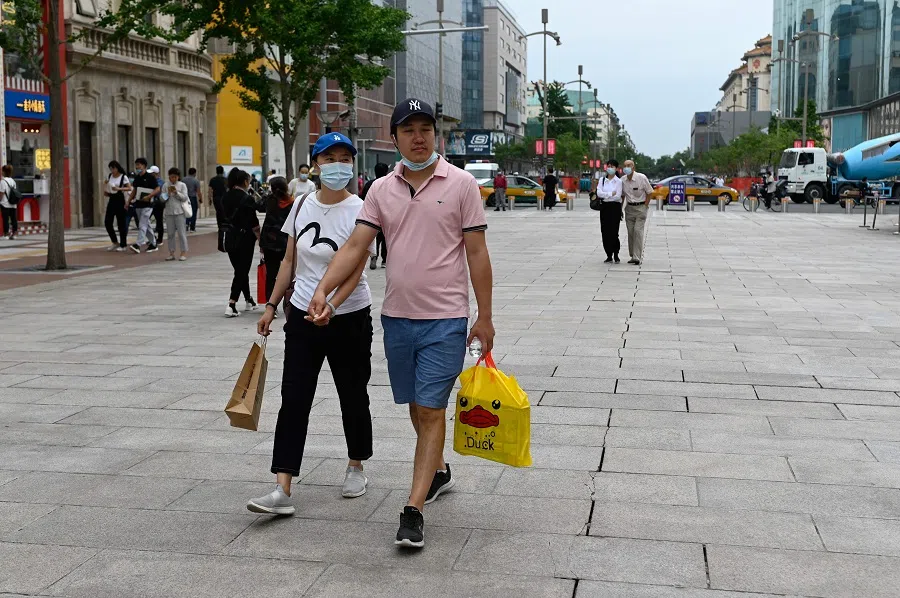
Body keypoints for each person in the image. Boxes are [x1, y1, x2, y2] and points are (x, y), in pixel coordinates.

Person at [308, 98, 494, 549]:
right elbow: (355, 246)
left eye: (425, 129)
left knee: (431, 410)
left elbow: (476, 253)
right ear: (393, 138)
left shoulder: (463, 184)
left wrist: (484, 317)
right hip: (397, 318)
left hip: (446, 318)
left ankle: (412, 511)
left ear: (437, 135)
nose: (418, 137)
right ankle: (439, 470)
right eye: (408, 130)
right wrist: (322, 290)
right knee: (416, 406)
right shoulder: (380, 191)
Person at [248, 132, 376, 515]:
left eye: (345, 158)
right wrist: (271, 305)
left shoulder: (361, 208)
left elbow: (357, 267)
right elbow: (289, 260)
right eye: (330, 157)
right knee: (294, 396)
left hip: (349, 315)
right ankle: (282, 486)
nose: (338, 164)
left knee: (352, 393)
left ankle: (356, 464)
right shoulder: (302, 203)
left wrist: (333, 305)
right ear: (316, 164)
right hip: (302, 314)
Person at [222, 168, 261, 317]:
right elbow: (253, 222)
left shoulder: (225, 197)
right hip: (245, 239)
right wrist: (260, 238)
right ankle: (231, 304)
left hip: (229, 237)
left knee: (239, 269)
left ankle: (248, 300)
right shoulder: (247, 198)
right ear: (245, 181)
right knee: (241, 270)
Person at [258, 176, 294, 309]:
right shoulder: (292, 202)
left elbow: (258, 206)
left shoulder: (269, 200)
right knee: (289, 273)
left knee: (271, 275)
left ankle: (270, 303)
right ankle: (289, 301)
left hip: (269, 243)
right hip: (285, 243)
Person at [621, 160, 654, 266]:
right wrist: (620, 209)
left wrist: (645, 206)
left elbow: (650, 192)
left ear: (633, 167)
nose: (627, 167)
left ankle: (637, 257)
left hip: (640, 208)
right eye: (625, 166)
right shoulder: (623, 180)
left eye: (629, 166)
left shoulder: (641, 178)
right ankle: (632, 254)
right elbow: (622, 196)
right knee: (630, 232)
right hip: (629, 209)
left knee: (637, 231)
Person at [127, 158, 160, 253]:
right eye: (136, 165)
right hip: (138, 204)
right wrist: (128, 201)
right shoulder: (137, 178)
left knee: (142, 224)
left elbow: (157, 189)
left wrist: (149, 196)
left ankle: (138, 244)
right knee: (146, 224)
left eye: (139, 165)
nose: (137, 167)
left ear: (144, 166)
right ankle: (153, 244)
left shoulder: (150, 177)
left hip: (148, 205)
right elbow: (134, 190)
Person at [361, 162, 390, 270]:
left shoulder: (369, 184)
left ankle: (373, 256)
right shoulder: (390, 184)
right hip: (386, 215)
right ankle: (384, 260)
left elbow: (363, 198)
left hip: (371, 216)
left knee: (374, 238)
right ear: (386, 172)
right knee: (385, 238)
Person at [597, 159, 624, 263]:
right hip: (604, 207)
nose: (610, 168)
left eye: (612, 166)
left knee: (614, 232)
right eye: (609, 166)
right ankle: (608, 254)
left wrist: (606, 194)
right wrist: (609, 194)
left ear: (616, 168)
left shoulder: (619, 181)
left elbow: (617, 196)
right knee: (605, 231)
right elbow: (599, 193)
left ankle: (616, 253)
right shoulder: (602, 180)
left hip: (615, 207)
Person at [103, 161, 132, 251]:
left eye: (113, 168)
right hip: (111, 199)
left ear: (117, 168)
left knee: (121, 223)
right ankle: (115, 242)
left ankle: (123, 245)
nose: (112, 170)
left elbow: (129, 188)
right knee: (107, 222)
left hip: (120, 200)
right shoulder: (109, 176)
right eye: (111, 169)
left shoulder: (123, 177)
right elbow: (107, 186)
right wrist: (106, 189)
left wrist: (119, 188)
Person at [163, 167, 190, 261]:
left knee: (181, 233)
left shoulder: (182, 185)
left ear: (178, 177)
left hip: (180, 212)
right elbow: (162, 199)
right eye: (171, 177)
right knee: (170, 234)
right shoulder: (165, 185)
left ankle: (183, 252)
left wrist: (176, 193)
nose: (172, 179)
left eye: (174, 177)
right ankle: (171, 252)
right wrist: (167, 194)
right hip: (169, 212)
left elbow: (185, 198)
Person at [209, 166, 228, 252]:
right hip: (224, 198)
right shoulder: (225, 180)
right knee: (224, 212)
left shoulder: (212, 180)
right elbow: (228, 189)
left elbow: (210, 190)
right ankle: (223, 226)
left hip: (216, 198)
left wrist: (209, 199)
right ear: (222, 171)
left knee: (218, 212)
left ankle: (219, 226)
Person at [0, 165, 18, 240]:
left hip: (5, 203)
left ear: (4, 172)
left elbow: (1, 193)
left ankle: (6, 234)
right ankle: (14, 234)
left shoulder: (3, 181)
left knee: (5, 219)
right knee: (14, 219)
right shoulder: (13, 181)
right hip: (13, 203)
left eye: (2, 171)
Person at [182, 167, 203, 232]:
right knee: (193, 212)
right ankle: (192, 227)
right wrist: (200, 199)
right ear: (194, 173)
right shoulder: (195, 181)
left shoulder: (183, 179)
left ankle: (186, 224)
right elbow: (198, 191)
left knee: (185, 211)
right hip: (192, 198)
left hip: (185, 197)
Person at [149, 166, 166, 246]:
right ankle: (152, 238)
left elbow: (156, 191)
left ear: (155, 173)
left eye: (151, 173)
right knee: (145, 220)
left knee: (159, 221)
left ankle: (160, 239)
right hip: (150, 202)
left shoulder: (160, 182)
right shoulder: (151, 181)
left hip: (158, 203)